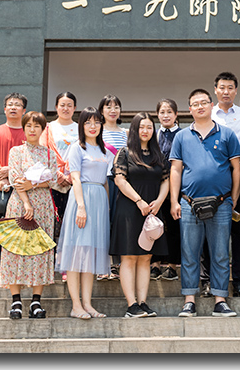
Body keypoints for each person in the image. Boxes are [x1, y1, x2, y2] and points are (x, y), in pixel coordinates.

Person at [170, 89, 240, 317]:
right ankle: (189, 300)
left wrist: (233, 198)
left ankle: (220, 300)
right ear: (189, 109)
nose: (200, 106)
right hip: (189, 203)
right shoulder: (181, 136)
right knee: (189, 253)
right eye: (195, 104)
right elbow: (175, 170)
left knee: (221, 253)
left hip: (221, 203)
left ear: (211, 105)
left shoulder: (227, 134)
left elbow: (237, 169)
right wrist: (174, 201)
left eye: (203, 102)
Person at [55, 107, 115, 319]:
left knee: (91, 255)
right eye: (88, 122)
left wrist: (107, 207)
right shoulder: (77, 148)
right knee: (76, 253)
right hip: (82, 199)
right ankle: (76, 305)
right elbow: (75, 178)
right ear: (81, 125)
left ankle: (88, 304)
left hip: (99, 201)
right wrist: (81, 206)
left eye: (96, 122)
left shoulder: (105, 151)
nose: (93, 126)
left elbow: (105, 182)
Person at [0, 111, 59, 319]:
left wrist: (32, 184)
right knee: (15, 250)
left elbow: (53, 181)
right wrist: (26, 202)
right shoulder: (16, 151)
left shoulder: (49, 154)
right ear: (23, 128)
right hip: (19, 205)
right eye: (29, 126)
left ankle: (36, 301)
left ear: (42, 129)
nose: (33, 130)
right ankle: (16, 301)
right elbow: (16, 179)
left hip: (43, 207)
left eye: (37, 126)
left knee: (39, 251)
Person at [111, 112, 170, 317]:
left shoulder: (158, 155)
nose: (145, 131)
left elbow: (165, 180)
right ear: (134, 130)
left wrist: (159, 201)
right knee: (128, 257)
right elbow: (120, 180)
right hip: (129, 210)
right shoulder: (124, 153)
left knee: (146, 258)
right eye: (141, 127)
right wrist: (138, 201)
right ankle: (131, 305)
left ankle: (143, 303)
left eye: (149, 127)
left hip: (152, 211)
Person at [205, 72, 240, 298]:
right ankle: (210, 281)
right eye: (222, 87)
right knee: (210, 235)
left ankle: (239, 281)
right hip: (213, 181)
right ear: (215, 89)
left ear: (236, 90)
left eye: (230, 87)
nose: (226, 92)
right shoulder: (208, 113)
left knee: (239, 235)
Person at [0, 93, 27, 282]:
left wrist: (11, 171)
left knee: (22, 229)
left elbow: (31, 159)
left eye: (17, 105)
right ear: (4, 109)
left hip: (23, 189)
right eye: (10, 104)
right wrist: (2, 174)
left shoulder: (29, 132)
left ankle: (18, 269)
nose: (13, 107)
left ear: (24, 110)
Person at [40, 92, 78, 282]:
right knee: (50, 224)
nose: (65, 108)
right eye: (62, 104)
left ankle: (65, 266)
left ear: (74, 108)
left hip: (74, 182)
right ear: (56, 107)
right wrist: (57, 173)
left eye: (69, 105)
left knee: (69, 226)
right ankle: (47, 266)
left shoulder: (79, 129)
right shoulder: (48, 128)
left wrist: (70, 175)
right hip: (51, 182)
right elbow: (42, 152)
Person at [152, 98, 182, 281]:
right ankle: (155, 264)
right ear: (157, 115)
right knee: (155, 224)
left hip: (176, 188)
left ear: (176, 114)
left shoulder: (182, 135)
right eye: (162, 112)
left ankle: (172, 265)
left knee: (173, 226)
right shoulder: (154, 135)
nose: (166, 115)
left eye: (169, 112)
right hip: (156, 188)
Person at [99, 94, 128, 280]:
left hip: (122, 182)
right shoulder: (97, 131)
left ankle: (117, 264)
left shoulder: (125, 133)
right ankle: (104, 263)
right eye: (108, 107)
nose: (112, 110)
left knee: (119, 222)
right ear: (102, 110)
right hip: (103, 181)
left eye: (116, 107)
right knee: (104, 221)